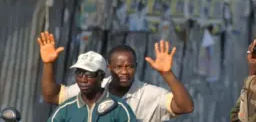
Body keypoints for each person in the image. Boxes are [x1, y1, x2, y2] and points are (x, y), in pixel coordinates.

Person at [38, 31, 194, 122]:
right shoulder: (92, 88)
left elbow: (186, 107)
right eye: (119, 67)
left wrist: (167, 74)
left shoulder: (149, 94)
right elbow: (52, 95)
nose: (125, 72)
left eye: (130, 67)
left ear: (136, 67)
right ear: (108, 68)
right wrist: (48, 63)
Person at [45, 51, 137, 122]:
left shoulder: (119, 108)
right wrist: (48, 63)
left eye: (89, 74)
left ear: (101, 76)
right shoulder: (65, 109)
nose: (83, 79)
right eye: (79, 73)